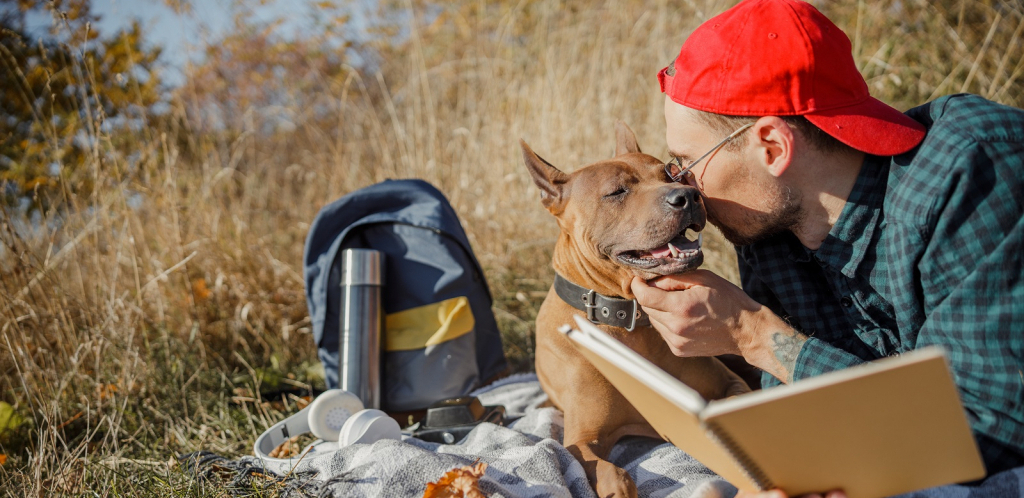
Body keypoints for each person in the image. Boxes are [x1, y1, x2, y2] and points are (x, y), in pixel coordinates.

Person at [629, 0, 1024, 496]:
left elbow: (990, 435)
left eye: (687, 163)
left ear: (772, 146)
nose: (686, 188)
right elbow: (802, 407)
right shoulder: (767, 221)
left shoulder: (974, 176)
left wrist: (752, 334)